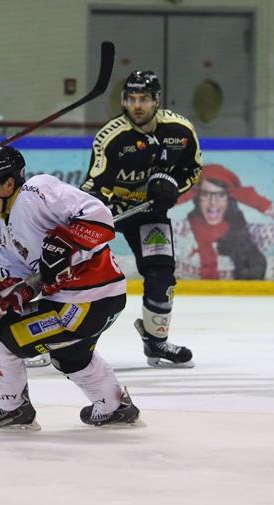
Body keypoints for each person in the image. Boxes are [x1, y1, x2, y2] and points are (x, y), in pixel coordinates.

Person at [0, 145, 139, 430]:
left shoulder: (37, 191)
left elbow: (101, 217)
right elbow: (25, 282)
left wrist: (68, 239)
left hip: (84, 302)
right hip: (87, 303)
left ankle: (12, 409)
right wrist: (2, 296)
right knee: (70, 355)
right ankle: (114, 406)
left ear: (8, 184)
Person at [80, 70, 202, 369]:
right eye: (131, 98)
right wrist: (90, 218)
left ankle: (156, 341)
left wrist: (172, 188)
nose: (137, 105)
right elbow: (95, 185)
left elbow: (193, 170)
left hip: (150, 214)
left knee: (162, 273)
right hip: (111, 212)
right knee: (80, 272)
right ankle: (62, 338)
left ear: (156, 100)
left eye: (144, 99)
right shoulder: (112, 136)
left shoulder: (180, 130)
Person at [173, 164, 274, 280]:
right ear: (196, 197)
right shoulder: (179, 230)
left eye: (221, 194)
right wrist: (175, 197)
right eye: (205, 194)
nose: (213, 202)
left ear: (230, 199)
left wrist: (259, 202)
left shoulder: (250, 234)